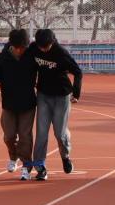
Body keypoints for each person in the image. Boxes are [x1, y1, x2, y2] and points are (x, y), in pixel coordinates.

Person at [27, 29, 82, 181]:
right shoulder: (34, 48)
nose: (43, 50)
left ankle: (65, 156)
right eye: (41, 47)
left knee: (60, 133)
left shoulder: (61, 53)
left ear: (52, 42)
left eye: (46, 47)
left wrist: (76, 93)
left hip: (61, 96)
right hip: (43, 95)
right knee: (41, 133)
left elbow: (77, 72)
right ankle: (40, 167)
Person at [0, 29, 39, 181]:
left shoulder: (31, 56)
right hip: (9, 104)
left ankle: (27, 166)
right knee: (9, 136)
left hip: (28, 104)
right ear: (12, 46)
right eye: (17, 48)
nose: (20, 51)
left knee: (25, 137)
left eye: (23, 48)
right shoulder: (2, 58)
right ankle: (13, 156)